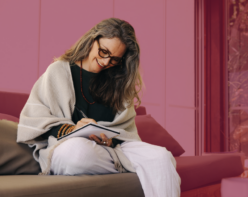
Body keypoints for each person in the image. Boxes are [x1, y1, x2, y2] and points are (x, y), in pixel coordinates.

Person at [16, 18, 181, 197]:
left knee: (162, 157)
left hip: (110, 151)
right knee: (77, 152)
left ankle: (132, 166)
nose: (105, 61)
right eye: (103, 52)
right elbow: (35, 119)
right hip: (69, 148)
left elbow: (125, 133)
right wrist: (72, 129)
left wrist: (111, 141)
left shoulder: (118, 82)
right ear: (92, 39)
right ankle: (134, 168)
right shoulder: (58, 71)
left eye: (114, 59)